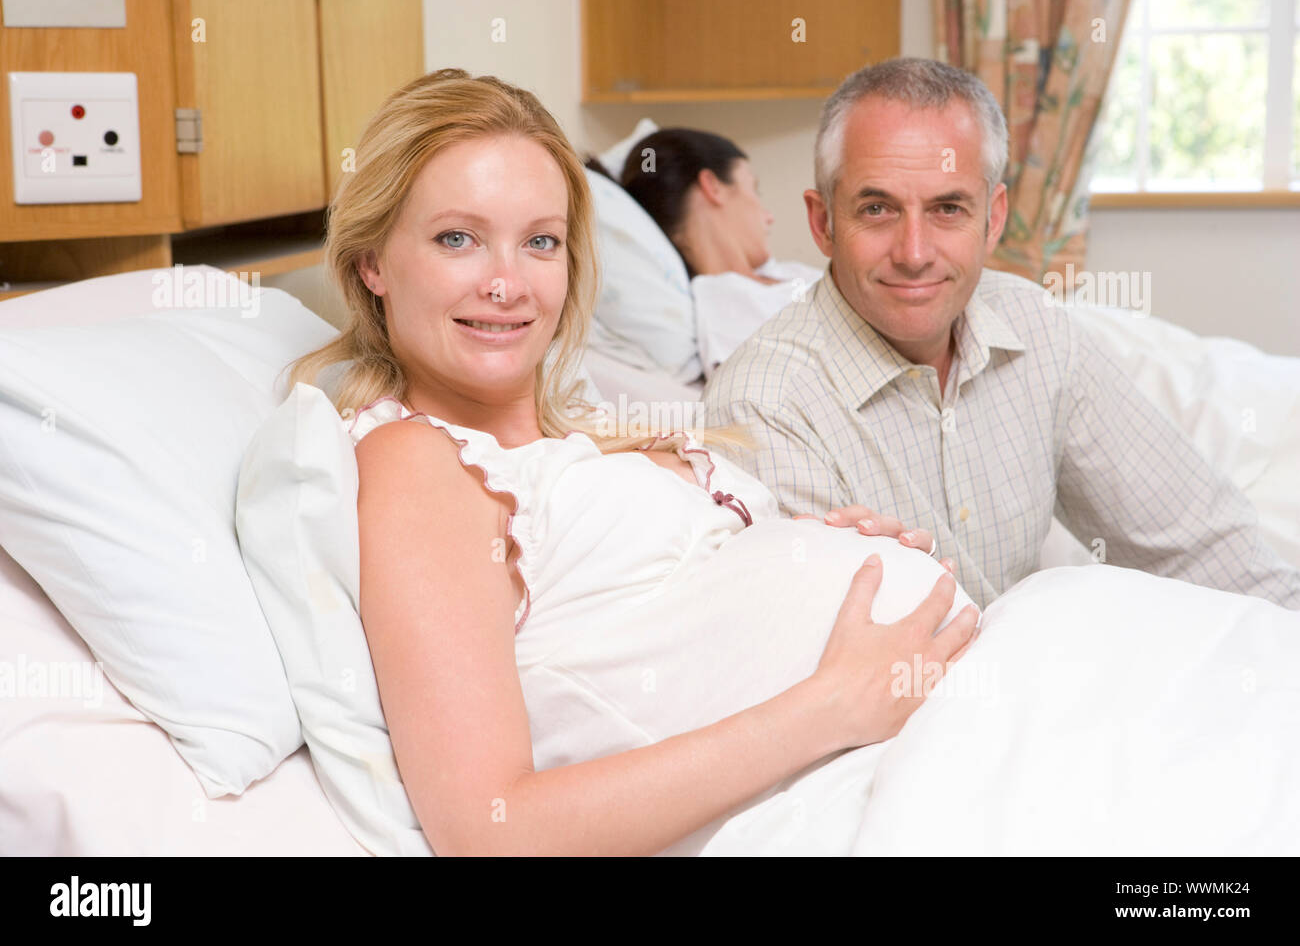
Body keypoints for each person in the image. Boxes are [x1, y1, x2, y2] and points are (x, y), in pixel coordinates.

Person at [287, 69, 980, 857]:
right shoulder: (418, 464)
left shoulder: (580, 430)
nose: (508, 283)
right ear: (373, 260)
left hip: (932, 733)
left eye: (540, 241)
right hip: (866, 786)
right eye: (458, 238)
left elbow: (661, 626)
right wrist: (833, 704)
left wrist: (808, 551)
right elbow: (490, 828)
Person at [701, 57, 1300, 611]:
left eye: (948, 209)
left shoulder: (1036, 327)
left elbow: (1195, 542)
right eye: (877, 209)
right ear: (822, 222)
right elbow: (859, 671)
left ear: (995, 219)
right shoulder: (763, 407)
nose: (914, 253)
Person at [589, 129, 823, 377]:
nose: (769, 216)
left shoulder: (785, 273)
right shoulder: (723, 304)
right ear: (713, 186)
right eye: (754, 189)